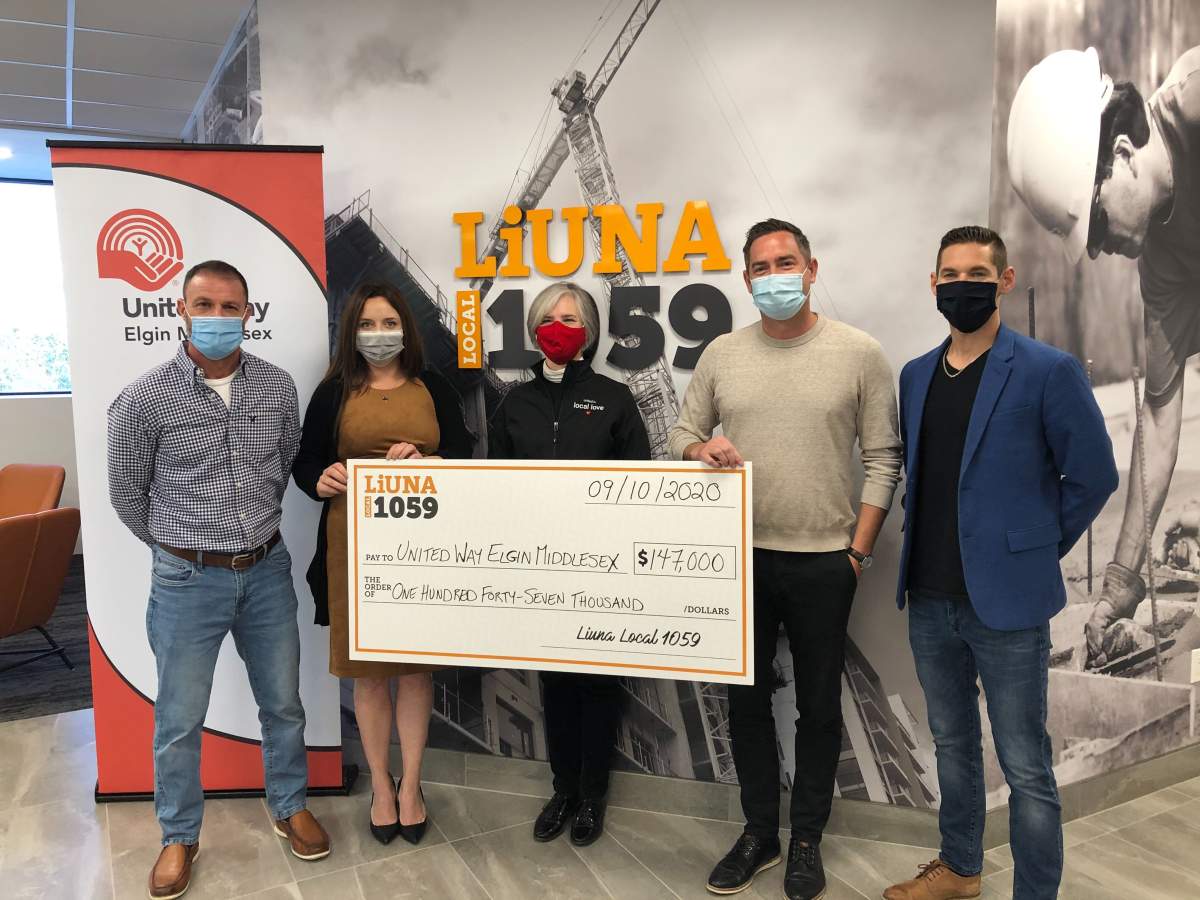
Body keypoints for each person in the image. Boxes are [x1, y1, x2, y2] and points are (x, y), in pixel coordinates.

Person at [668, 219, 902, 900]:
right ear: (746, 280)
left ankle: (806, 839)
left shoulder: (859, 354)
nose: (774, 275)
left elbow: (885, 459)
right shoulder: (721, 354)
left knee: (819, 708)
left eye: (786, 262)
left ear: (811, 268)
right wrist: (696, 450)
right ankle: (758, 833)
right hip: (739, 561)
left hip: (826, 561)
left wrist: (856, 552)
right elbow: (684, 430)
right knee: (744, 704)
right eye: (761, 267)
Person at [884, 227, 1118, 900]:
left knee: (1025, 765)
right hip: (929, 602)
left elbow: (1093, 477)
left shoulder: (1048, 370)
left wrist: (1036, 549)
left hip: (1009, 606)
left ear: (1004, 281)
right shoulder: (916, 375)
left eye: (977, 273)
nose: (962, 284)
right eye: (949, 274)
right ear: (933, 286)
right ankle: (959, 871)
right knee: (952, 748)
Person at [107, 260, 330, 900]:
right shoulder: (144, 398)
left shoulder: (276, 388)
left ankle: (288, 804)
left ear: (247, 313)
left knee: (283, 704)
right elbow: (127, 495)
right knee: (178, 720)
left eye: (229, 307)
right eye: (203, 304)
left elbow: (285, 460)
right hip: (185, 582)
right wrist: (182, 552)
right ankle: (179, 836)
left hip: (265, 572)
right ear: (181, 309)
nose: (216, 318)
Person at [1006, 45, 1200, 669]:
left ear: (1120, 154)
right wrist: (1119, 584)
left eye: (1094, 219)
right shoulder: (1165, 262)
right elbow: (1161, 423)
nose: (1096, 250)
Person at [292, 282, 472, 845]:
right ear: (352, 332)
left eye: (389, 323)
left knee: (416, 671)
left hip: (422, 550)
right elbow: (306, 464)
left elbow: (467, 454)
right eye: (367, 324)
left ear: (406, 329)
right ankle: (381, 786)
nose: (378, 335)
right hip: (352, 551)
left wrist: (432, 458)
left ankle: (413, 784)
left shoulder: (433, 385)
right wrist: (318, 480)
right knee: (369, 676)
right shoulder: (333, 392)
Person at [488, 281, 650, 847]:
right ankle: (563, 789)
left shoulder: (615, 398)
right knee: (555, 683)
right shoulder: (514, 402)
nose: (560, 327)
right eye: (550, 318)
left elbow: (642, 485)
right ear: (534, 331)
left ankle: (593, 797)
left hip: (602, 569)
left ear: (588, 331)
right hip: (539, 569)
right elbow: (496, 486)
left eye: (571, 318)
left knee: (599, 683)